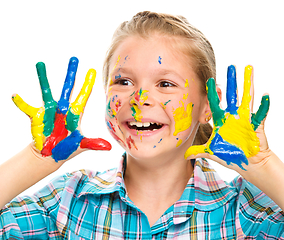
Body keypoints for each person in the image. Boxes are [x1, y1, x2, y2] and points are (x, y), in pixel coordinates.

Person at [0, 11, 283, 239]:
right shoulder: (67, 201)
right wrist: (36, 159)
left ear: (208, 105)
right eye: (123, 82)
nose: (139, 99)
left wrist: (263, 164)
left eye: (165, 84)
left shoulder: (244, 212)